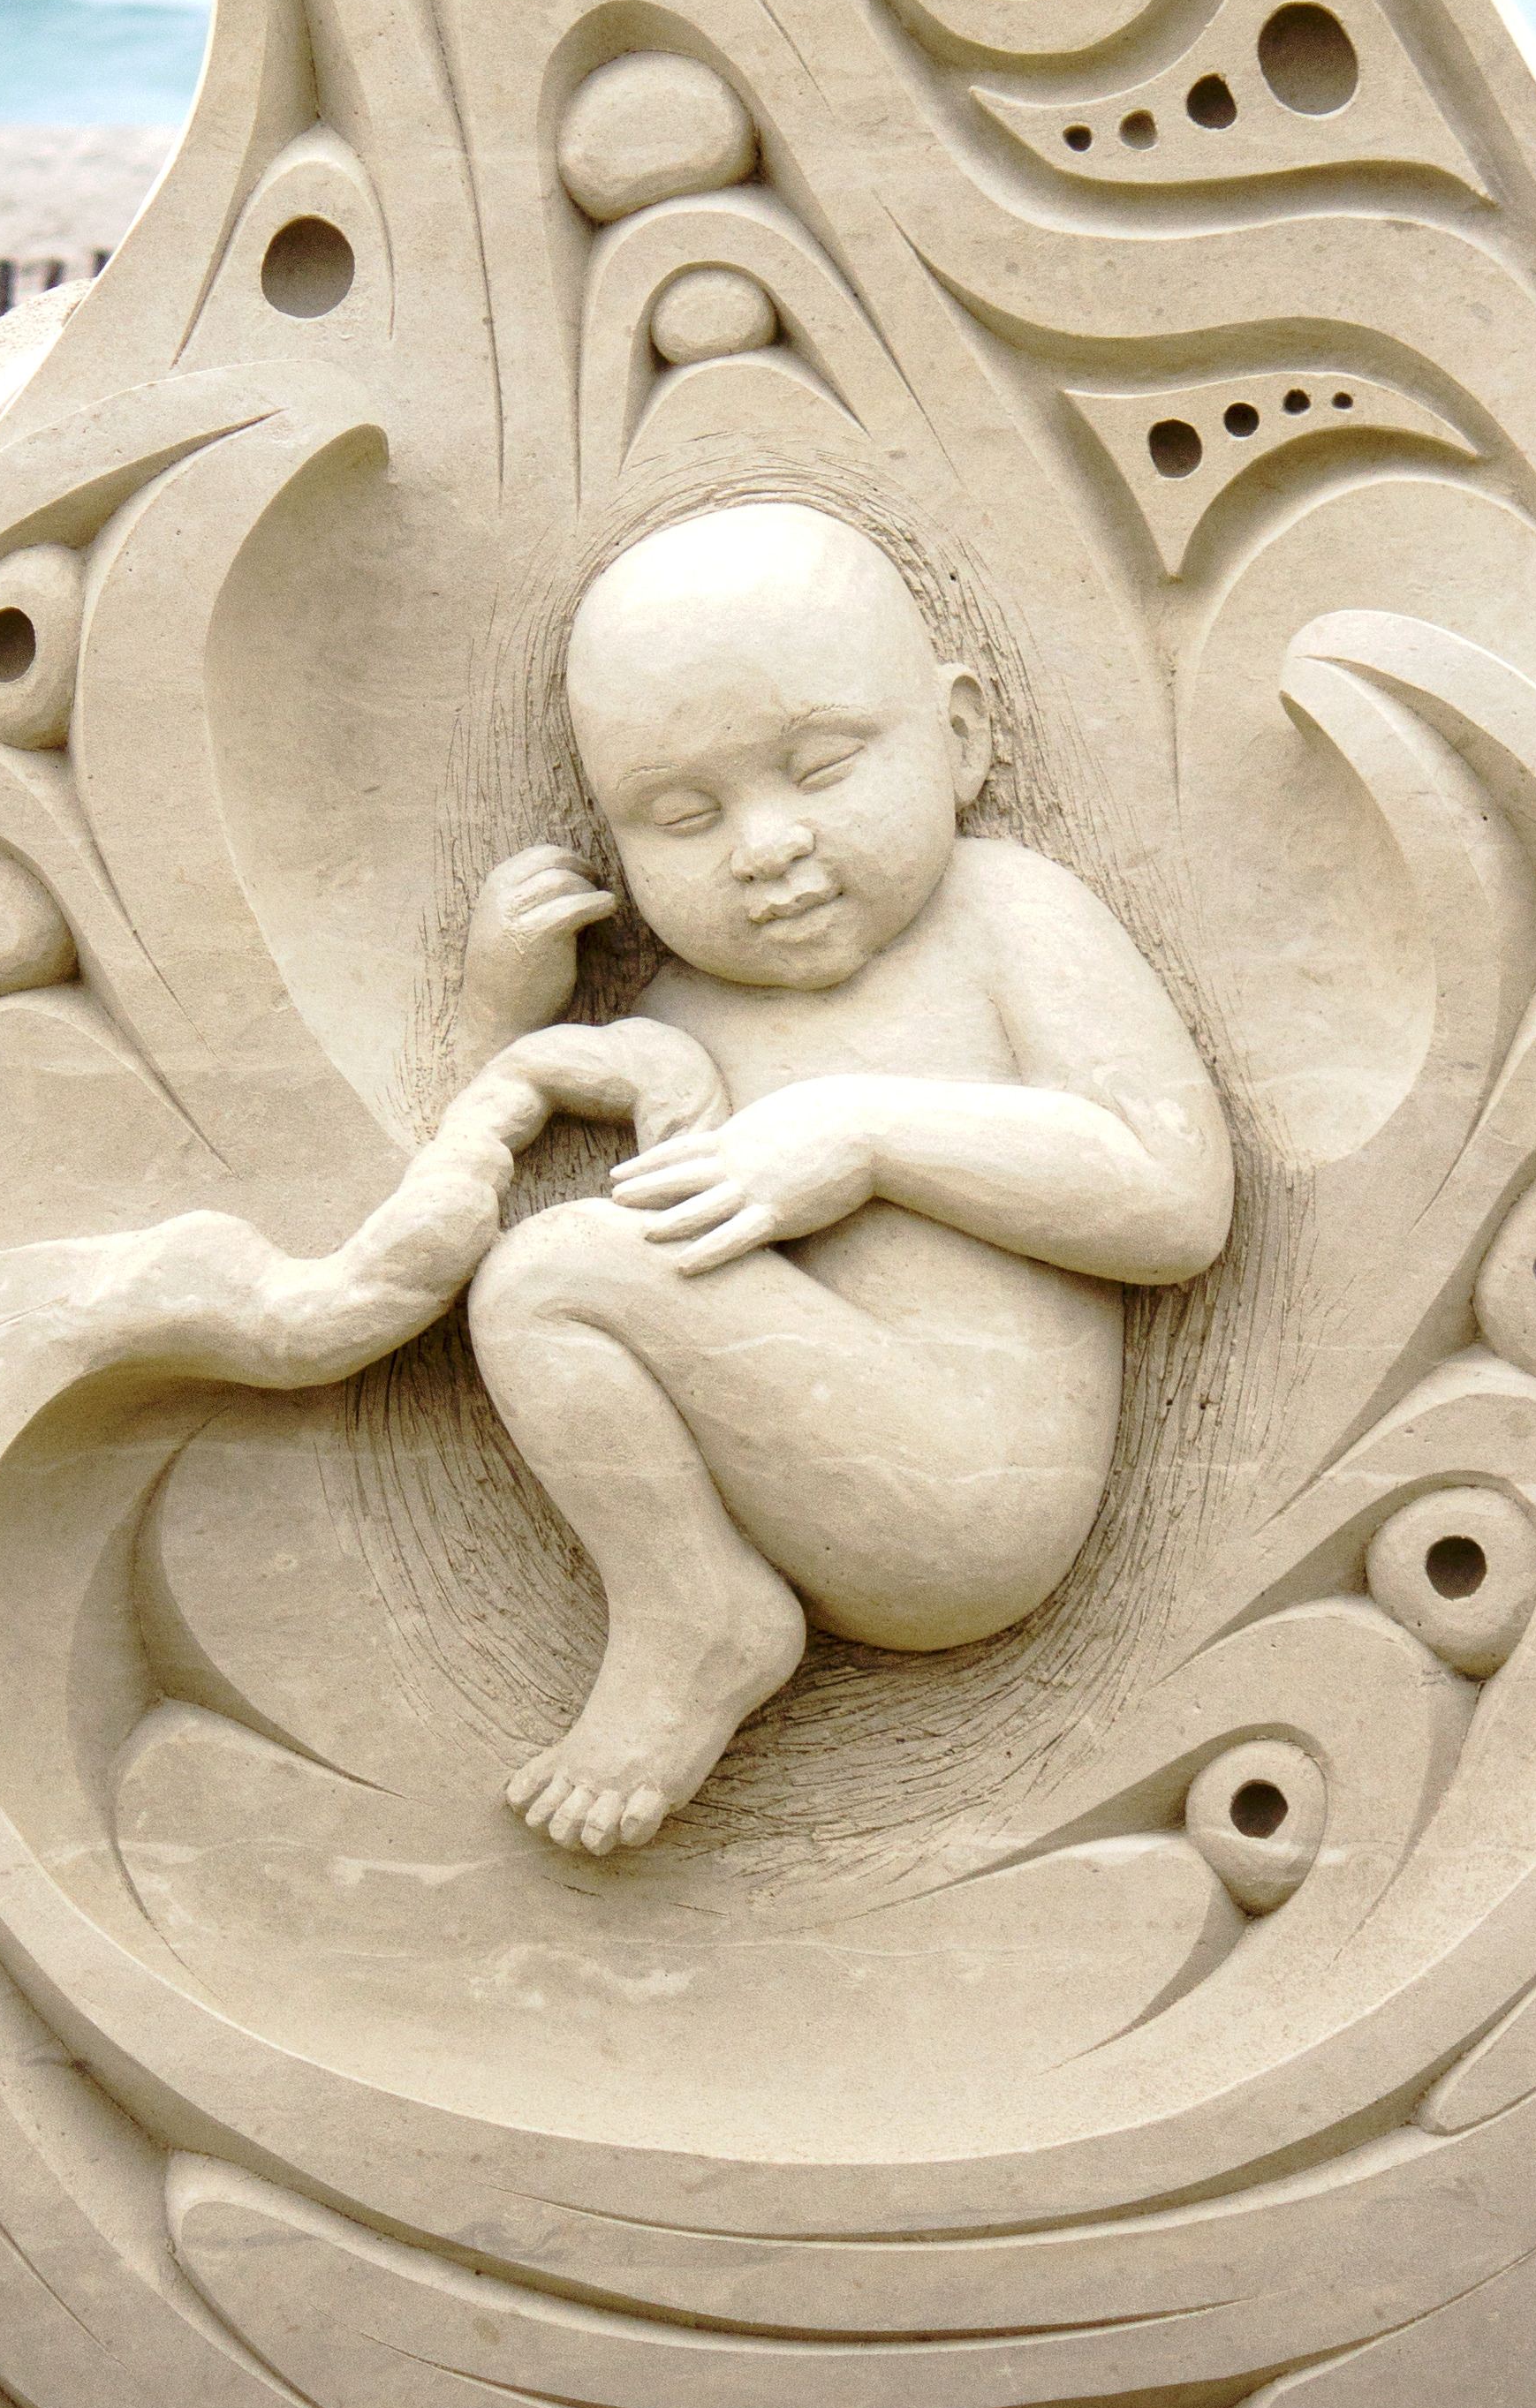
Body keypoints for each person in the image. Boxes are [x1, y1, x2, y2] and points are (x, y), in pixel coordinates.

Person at [456, 498, 1234, 1858]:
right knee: (546, 1281)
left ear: (961, 737)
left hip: (979, 1483)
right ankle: (697, 1596)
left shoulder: (1005, 912)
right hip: (814, 1467)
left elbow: (1173, 1199)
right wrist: (500, 1018)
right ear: (618, 853)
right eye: (682, 816)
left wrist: (865, 1137)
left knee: (555, 1277)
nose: (763, 846)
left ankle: (697, 1618)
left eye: (819, 768)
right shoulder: (686, 1010)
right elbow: (484, 1203)